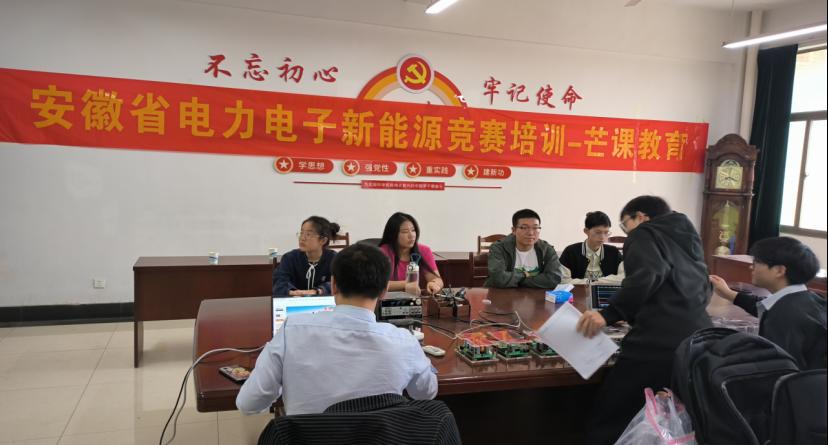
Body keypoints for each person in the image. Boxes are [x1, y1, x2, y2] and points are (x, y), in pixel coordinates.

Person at [238, 243, 438, 415]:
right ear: (384, 291)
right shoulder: (404, 342)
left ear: (333, 285)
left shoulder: (292, 331)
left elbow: (248, 404)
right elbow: (427, 393)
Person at [575, 196, 712, 445]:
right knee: (672, 412)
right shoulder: (687, 236)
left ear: (640, 217)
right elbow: (704, 284)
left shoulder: (644, 233)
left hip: (656, 342)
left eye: (624, 224)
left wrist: (608, 314)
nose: (626, 231)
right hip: (698, 339)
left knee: (612, 413)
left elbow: (647, 275)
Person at [709, 236, 826, 370]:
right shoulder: (807, 299)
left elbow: (782, 370)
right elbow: (765, 306)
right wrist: (728, 293)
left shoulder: (784, 315)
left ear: (779, 271)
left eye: (757, 262)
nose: (751, 267)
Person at [484, 209, 563, 288]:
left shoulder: (546, 249)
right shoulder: (499, 248)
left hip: (534, 294)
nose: (531, 233)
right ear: (514, 230)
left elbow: (554, 278)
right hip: (502, 293)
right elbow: (498, 278)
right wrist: (527, 276)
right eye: (524, 228)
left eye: (535, 228)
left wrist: (519, 280)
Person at [378, 212, 444, 295]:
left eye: (413, 230)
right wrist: (406, 284)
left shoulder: (424, 250)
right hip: (387, 300)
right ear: (393, 234)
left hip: (415, 300)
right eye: (405, 232)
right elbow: (377, 285)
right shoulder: (382, 253)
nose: (411, 235)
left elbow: (438, 280)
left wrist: (434, 284)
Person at [272, 216, 339, 297]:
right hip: (294, 301)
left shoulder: (334, 259)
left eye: (308, 234)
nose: (302, 238)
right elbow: (279, 281)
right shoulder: (290, 258)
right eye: (301, 233)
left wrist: (317, 291)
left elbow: (339, 282)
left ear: (323, 240)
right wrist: (293, 292)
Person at [559, 211, 623, 280]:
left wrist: (596, 282)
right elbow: (563, 280)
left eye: (606, 232)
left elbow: (623, 277)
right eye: (598, 232)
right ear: (586, 231)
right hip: (577, 288)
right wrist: (591, 283)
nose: (603, 237)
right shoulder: (570, 252)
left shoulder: (614, 252)